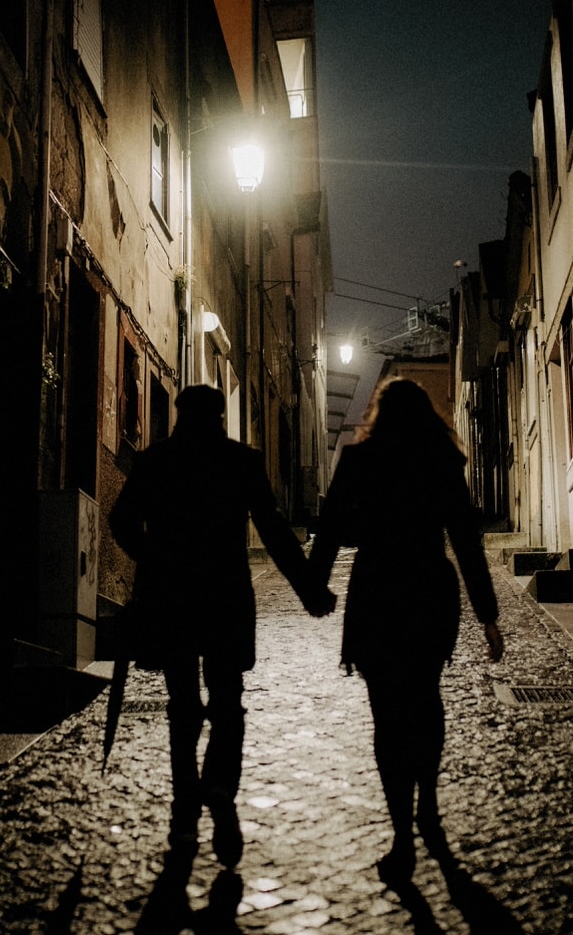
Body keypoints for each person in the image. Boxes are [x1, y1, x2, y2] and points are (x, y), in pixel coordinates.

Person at [109, 385, 335, 867]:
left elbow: (121, 521)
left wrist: (153, 558)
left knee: (182, 706)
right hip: (225, 599)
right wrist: (310, 589)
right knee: (228, 702)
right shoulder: (241, 461)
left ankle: (184, 809)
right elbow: (273, 530)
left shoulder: (155, 462)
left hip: (171, 600)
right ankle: (219, 791)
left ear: (179, 417)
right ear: (219, 417)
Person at [308, 377, 505, 884]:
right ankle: (429, 807)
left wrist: (315, 589)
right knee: (426, 699)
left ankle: (402, 833)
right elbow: (465, 541)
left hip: (377, 593)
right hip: (428, 590)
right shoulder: (441, 462)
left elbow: (329, 531)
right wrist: (487, 614)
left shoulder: (358, 461)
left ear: (378, 413)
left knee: (387, 715)